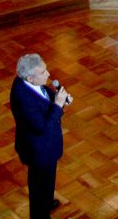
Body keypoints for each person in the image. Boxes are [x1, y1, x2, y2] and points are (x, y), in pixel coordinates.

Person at [9, 53, 71, 219]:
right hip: (38, 151)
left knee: (48, 178)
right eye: (43, 72)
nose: (48, 74)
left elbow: (43, 93)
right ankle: (39, 214)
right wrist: (58, 105)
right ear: (30, 77)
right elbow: (41, 128)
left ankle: (47, 201)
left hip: (47, 147)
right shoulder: (22, 98)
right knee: (38, 185)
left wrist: (58, 98)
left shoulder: (29, 83)